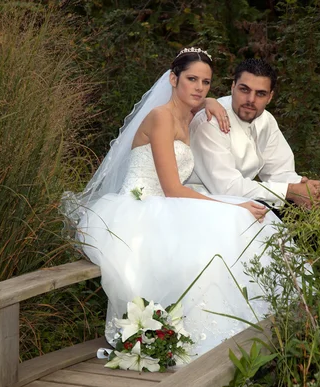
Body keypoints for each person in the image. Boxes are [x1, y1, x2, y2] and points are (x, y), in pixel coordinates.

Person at [73, 49, 285, 357]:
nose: (199, 88)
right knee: (231, 221)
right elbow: (172, 188)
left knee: (250, 224)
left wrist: (210, 103)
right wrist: (232, 206)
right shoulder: (161, 117)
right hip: (142, 206)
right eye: (191, 79)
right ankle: (194, 336)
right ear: (173, 79)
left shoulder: (192, 116)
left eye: (206, 82)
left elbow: (202, 111)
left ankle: (255, 326)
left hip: (167, 205)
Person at [187, 58, 320, 212]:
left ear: (270, 97)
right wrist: (289, 190)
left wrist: (303, 186)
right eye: (244, 90)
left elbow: (279, 171)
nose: (251, 100)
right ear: (233, 87)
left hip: (240, 200)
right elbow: (227, 187)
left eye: (260, 94)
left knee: (305, 215)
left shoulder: (267, 120)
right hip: (204, 202)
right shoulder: (210, 121)